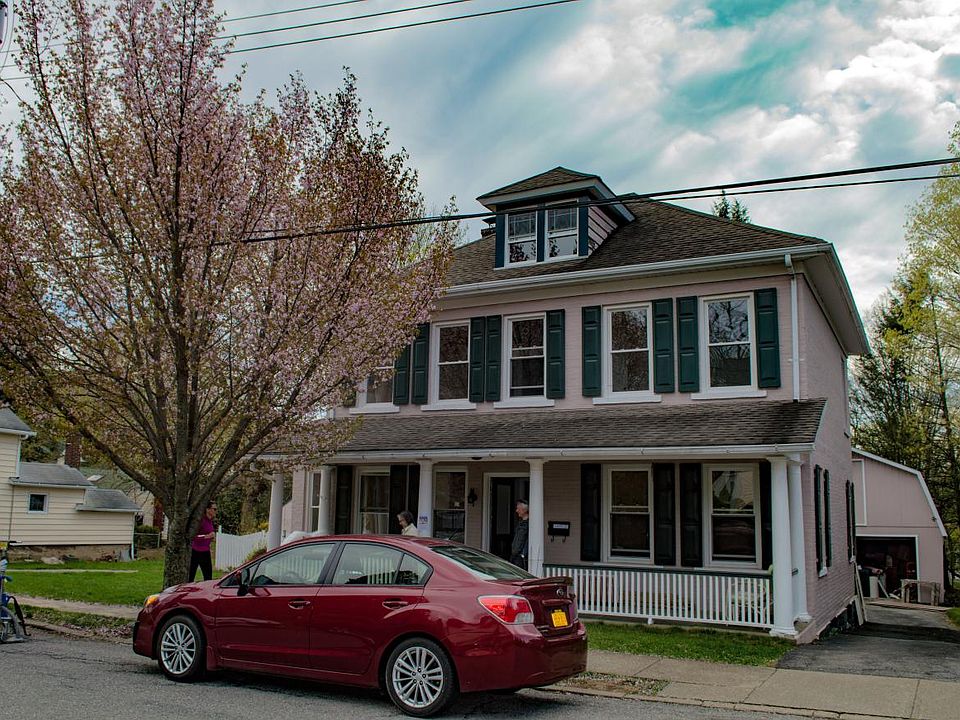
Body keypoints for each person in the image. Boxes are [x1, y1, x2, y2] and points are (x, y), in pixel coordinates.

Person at [189, 501, 216, 581]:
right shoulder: (201, 520)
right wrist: (206, 536)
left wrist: (211, 537)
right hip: (195, 551)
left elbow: (207, 534)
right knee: (190, 576)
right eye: (214, 509)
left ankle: (207, 593)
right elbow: (193, 536)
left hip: (205, 551)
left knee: (208, 577)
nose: (215, 511)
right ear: (208, 509)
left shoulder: (210, 521)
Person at [510, 499, 529, 570]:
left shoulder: (528, 524)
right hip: (515, 555)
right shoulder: (521, 523)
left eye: (518, 509)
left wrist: (521, 554)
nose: (516, 511)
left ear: (524, 510)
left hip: (520, 557)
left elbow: (524, 540)